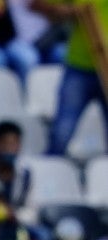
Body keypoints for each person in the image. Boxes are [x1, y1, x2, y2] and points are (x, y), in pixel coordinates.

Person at [32, 1, 108, 156]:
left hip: (102, 67)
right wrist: (66, 12)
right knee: (61, 134)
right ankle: (47, 174)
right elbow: (36, 4)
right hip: (79, 68)